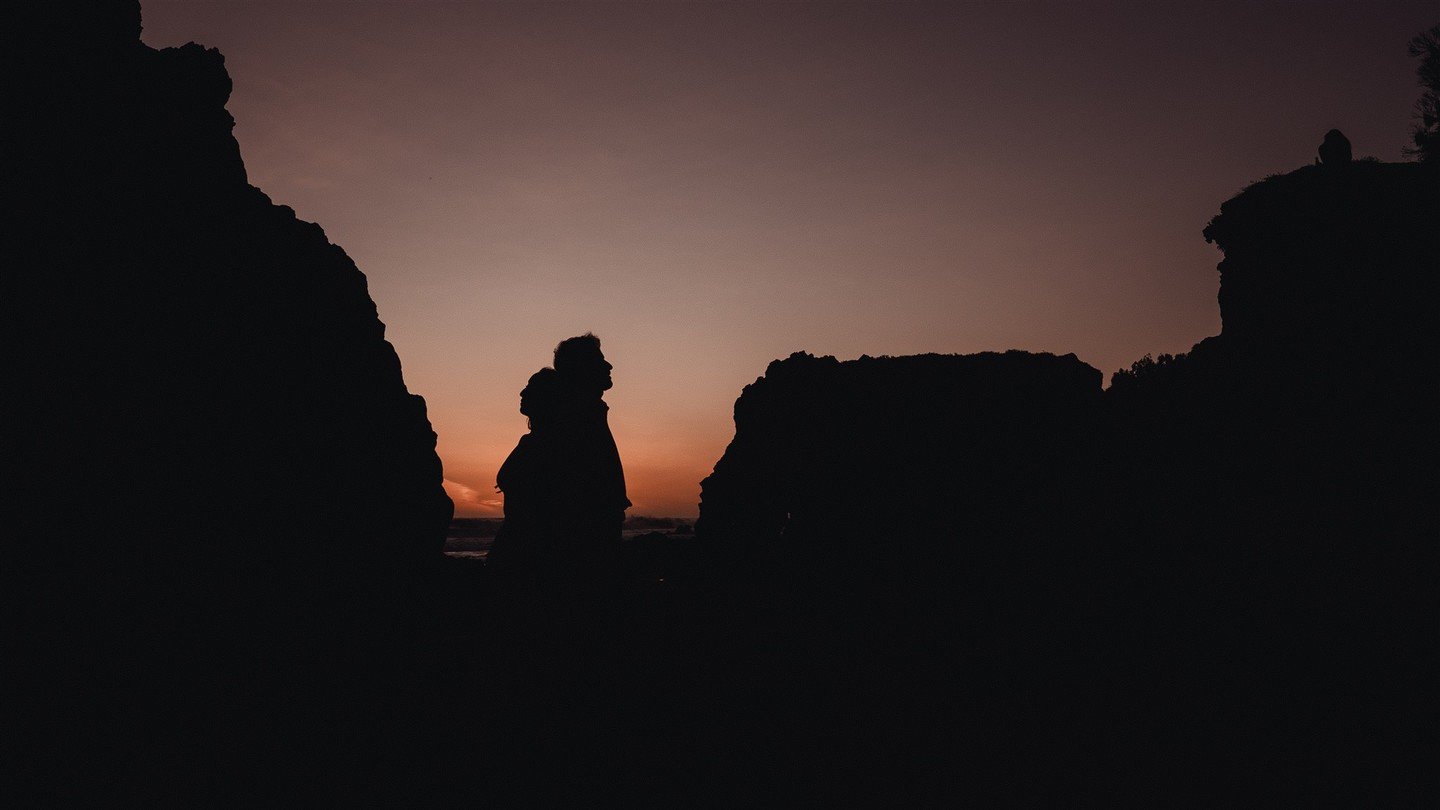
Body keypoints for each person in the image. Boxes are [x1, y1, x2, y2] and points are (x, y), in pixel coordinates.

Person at [550, 333, 630, 556]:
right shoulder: (576, 417)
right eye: (599, 361)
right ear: (580, 368)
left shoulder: (589, 411)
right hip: (588, 539)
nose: (609, 365)